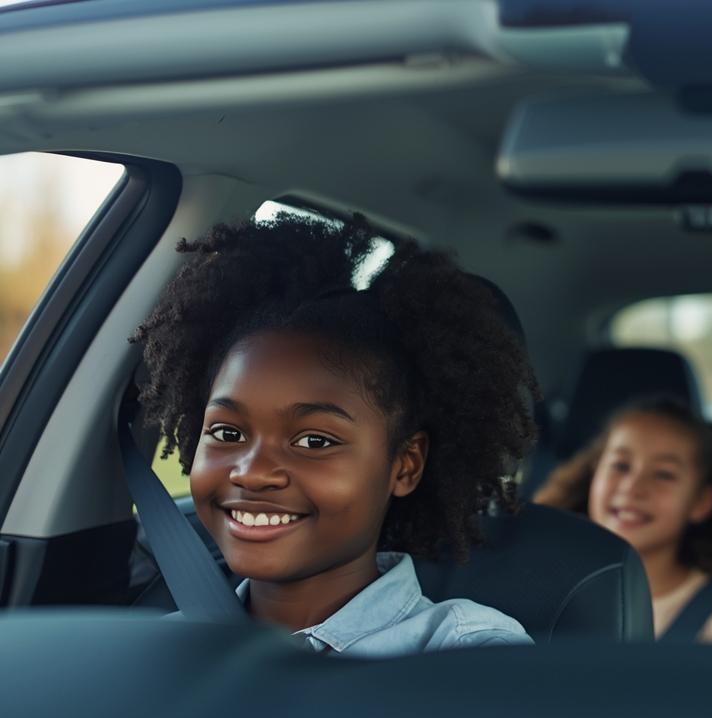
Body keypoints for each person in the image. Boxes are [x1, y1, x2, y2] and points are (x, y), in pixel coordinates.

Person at [132, 214, 537, 656]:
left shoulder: (464, 652)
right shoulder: (159, 651)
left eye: (314, 442)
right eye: (228, 432)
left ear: (406, 465)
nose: (252, 473)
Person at [534, 396, 712, 643]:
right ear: (593, 476)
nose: (632, 487)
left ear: (701, 502)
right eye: (621, 466)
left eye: (663, 474)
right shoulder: (544, 589)